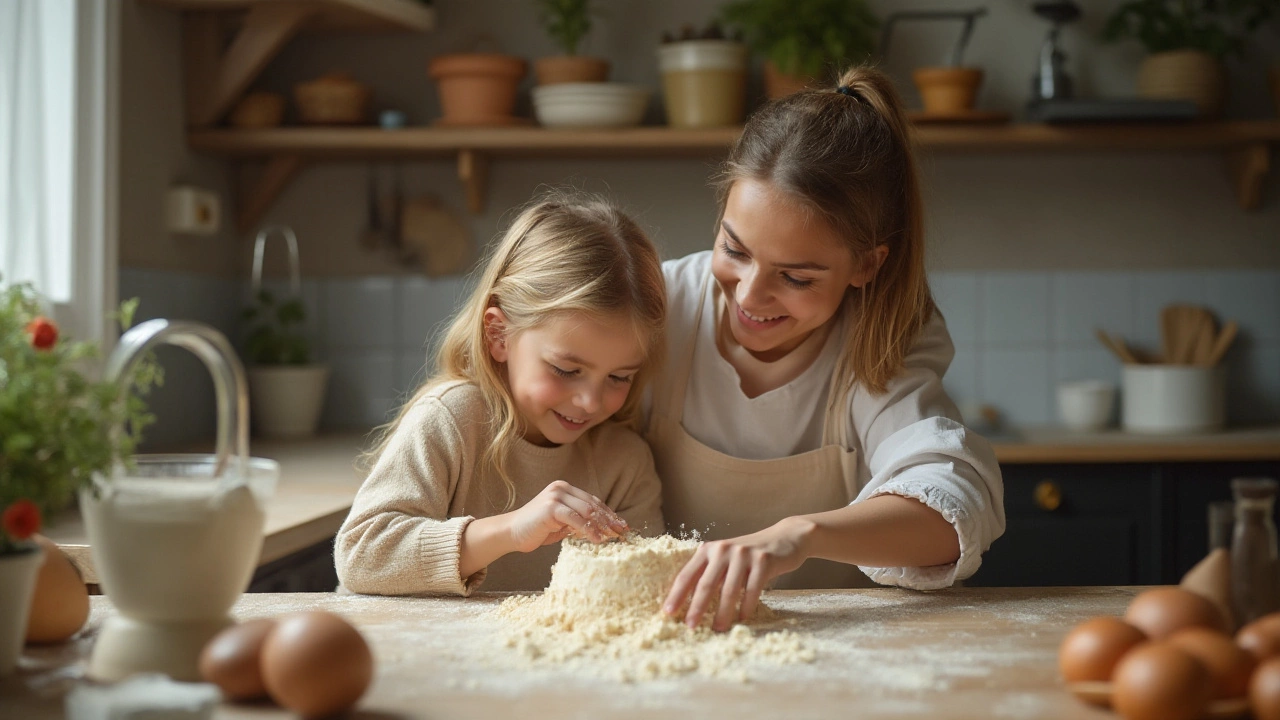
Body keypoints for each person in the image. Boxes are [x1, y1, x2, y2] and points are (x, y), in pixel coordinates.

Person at [651, 67, 1006, 630]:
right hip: (668, 637)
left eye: (796, 277)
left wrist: (802, 534)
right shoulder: (661, 305)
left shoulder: (885, 335)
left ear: (867, 264)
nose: (749, 295)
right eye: (733, 250)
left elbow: (952, 505)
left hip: (837, 647)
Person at [335, 193, 667, 596]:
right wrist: (511, 530)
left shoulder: (624, 464)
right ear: (499, 335)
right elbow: (361, 555)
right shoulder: (452, 420)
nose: (590, 402)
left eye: (619, 377)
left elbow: (644, 588)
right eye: (566, 370)